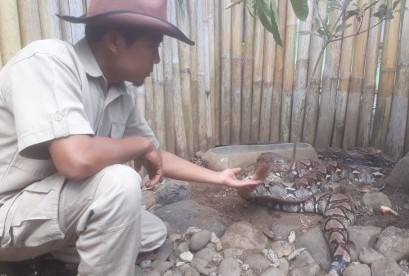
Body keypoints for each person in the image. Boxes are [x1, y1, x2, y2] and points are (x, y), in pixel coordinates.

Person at [0, 0, 261, 275]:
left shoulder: (117, 94)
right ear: (115, 40)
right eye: (153, 47)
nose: (157, 59)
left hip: (46, 209)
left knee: (150, 231)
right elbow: (74, 159)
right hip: (8, 211)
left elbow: (155, 156)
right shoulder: (48, 60)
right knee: (120, 184)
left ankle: (49, 256)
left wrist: (220, 179)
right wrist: (139, 145)